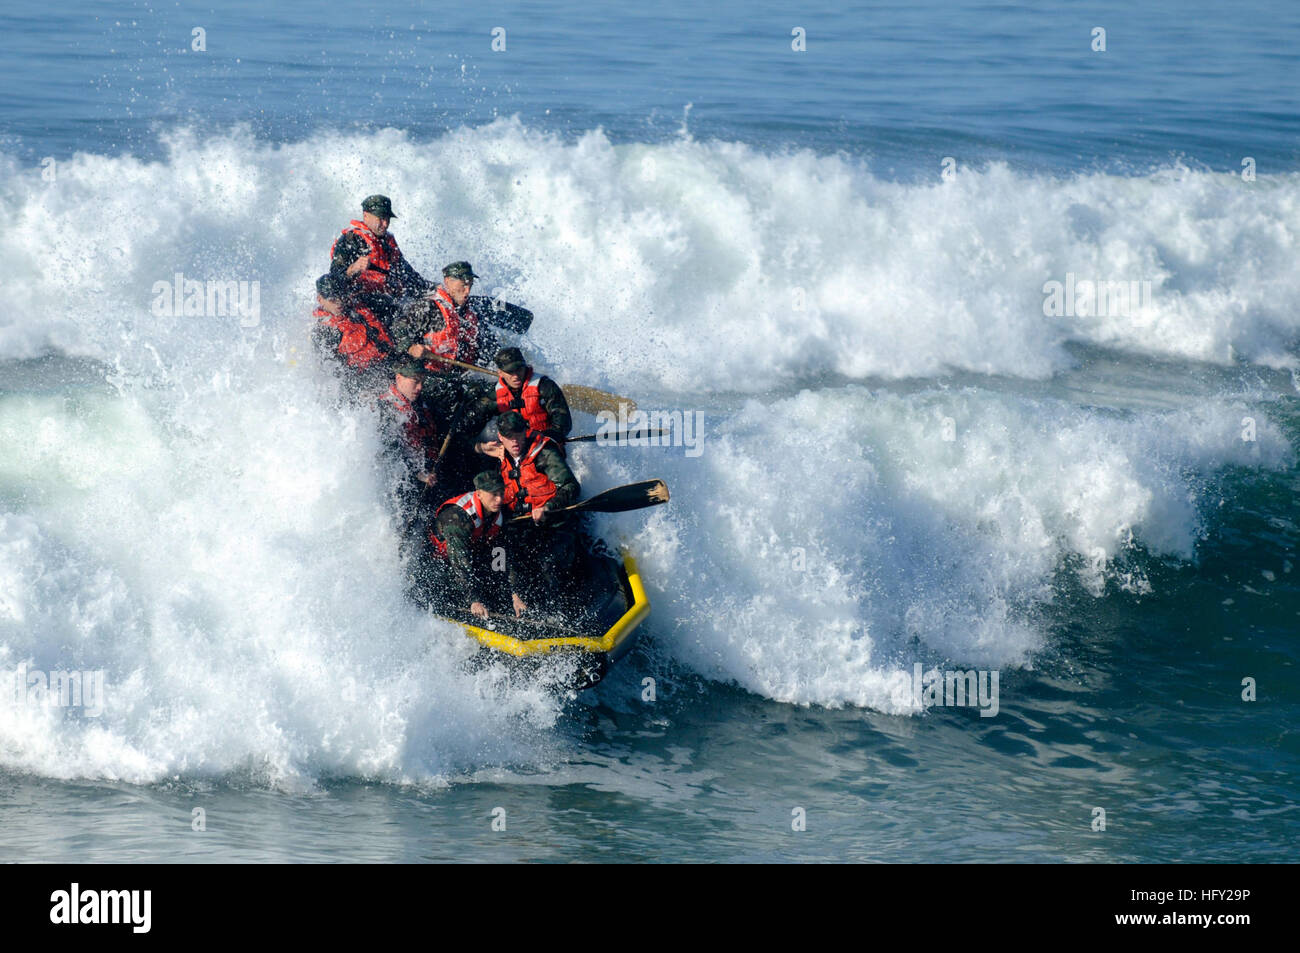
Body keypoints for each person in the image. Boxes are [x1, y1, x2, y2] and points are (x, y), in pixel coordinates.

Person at [479, 411, 581, 615]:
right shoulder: (498, 456)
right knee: (498, 557)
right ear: (500, 437)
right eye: (508, 436)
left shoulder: (545, 453)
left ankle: (558, 615)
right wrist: (479, 447)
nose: (514, 441)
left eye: (518, 434)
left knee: (548, 562)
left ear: (526, 432)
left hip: (555, 524)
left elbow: (571, 487)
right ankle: (505, 605)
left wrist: (547, 508)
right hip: (519, 525)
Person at [329, 195, 433, 322]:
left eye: (387, 219)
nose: (385, 224)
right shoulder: (351, 240)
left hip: (389, 301)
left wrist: (432, 289)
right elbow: (333, 279)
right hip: (360, 305)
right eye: (381, 219)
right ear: (366, 215)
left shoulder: (387, 242)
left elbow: (407, 274)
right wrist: (353, 268)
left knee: (429, 309)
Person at [427, 470, 508, 620]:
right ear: (479, 494)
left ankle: (502, 607)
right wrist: (474, 600)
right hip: (435, 560)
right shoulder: (459, 517)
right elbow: (460, 562)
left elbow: (499, 551)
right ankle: (455, 611)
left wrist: (511, 591)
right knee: (444, 579)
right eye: (493, 494)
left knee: (493, 576)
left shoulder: (498, 514)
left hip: (468, 553)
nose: (499, 499)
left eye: (501, 493)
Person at [464, 347, 572, 447]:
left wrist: (547, 436)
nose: (516, 376)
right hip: (513, 448)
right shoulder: (494, 394)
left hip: (543, 446)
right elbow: (470, 425)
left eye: (519, 369)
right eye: (510, 372)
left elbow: (563, 423)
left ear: (525, 366)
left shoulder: (545, 386)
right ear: (500, 373)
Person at [311, 273, 395, 394]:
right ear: (320, 299)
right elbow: (333, 376)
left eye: (342, 296)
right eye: (333, 299)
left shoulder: (359, 304)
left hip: (390, 359)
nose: (339, 302)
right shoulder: (325, 333)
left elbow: (390, 306)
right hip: (365, 379)